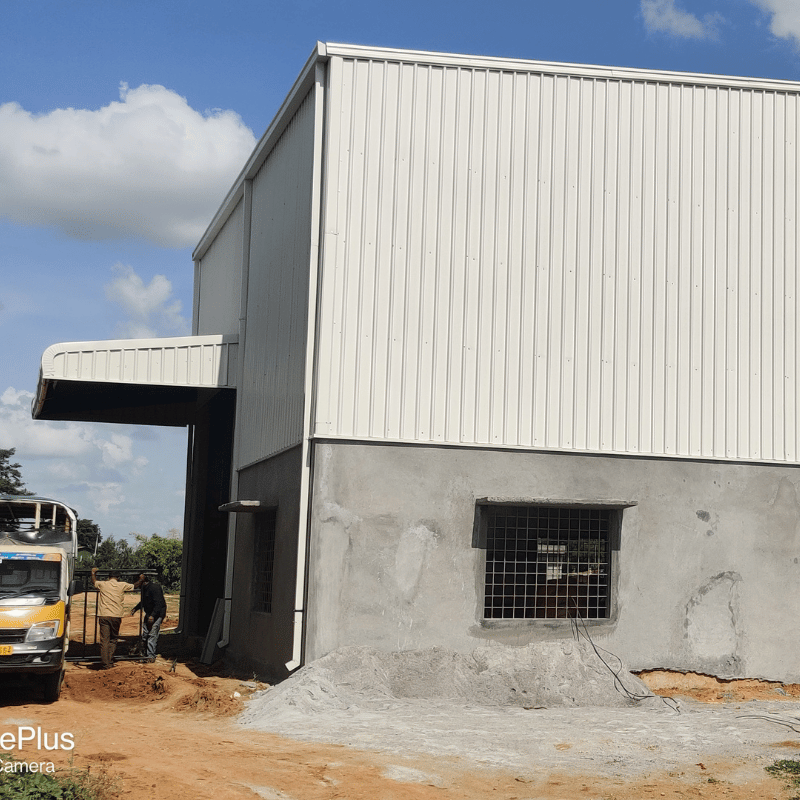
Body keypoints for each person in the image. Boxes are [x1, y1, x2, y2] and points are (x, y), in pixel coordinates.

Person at [90, 568, 144, 669]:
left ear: (109, 577)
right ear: (118, 577)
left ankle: (105, 663)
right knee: (113, 639)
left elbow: (94, 582)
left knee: (104, 640)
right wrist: (141, 579)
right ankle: (109, 660)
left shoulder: (103, 584)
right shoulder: (122, 585)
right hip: (116, 615)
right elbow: (135, 585)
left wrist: (93, 573)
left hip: (104, 615)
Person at [131, 573, 167, 663]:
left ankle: (151, 655)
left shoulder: (155, 588)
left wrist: (153, 615)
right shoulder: (144, 588)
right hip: (149, 613)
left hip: (157, 613)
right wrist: (136, 608)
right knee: (145, 633)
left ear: (142, 581)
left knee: (152, 634)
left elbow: (159, 604)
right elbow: (143, 601)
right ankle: (143, 652)